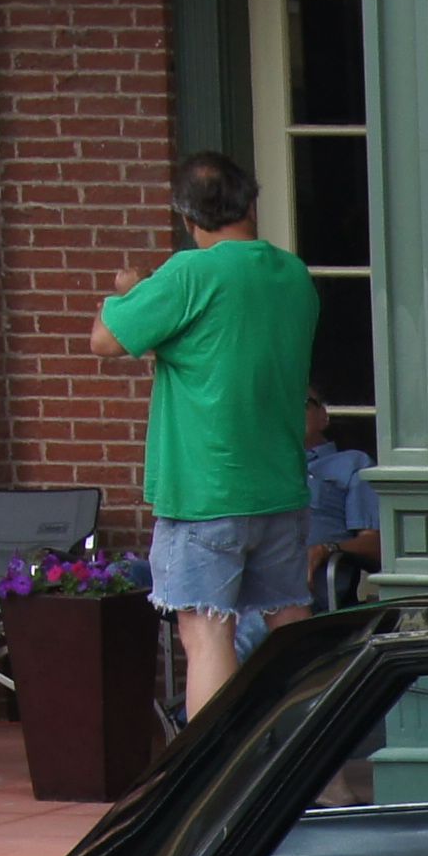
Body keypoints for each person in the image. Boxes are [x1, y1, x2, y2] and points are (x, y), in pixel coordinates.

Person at [93, 150, 320, 716]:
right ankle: (323, 773)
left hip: (205, 492)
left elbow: (106, 340)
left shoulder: (189, 273)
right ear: (250, 202)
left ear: (188, 217)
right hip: (280, 486)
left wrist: (128, 292)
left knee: (206, 635)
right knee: (291, 629)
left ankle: (214, 786)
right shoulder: (291, 273)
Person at [300, 389, 377, 612]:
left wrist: (326, 549)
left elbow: (376, 546)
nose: (290, 411)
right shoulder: (259, 470)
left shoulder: (352, 463)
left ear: (323, 415)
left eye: (301, 403)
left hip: (307, 588)